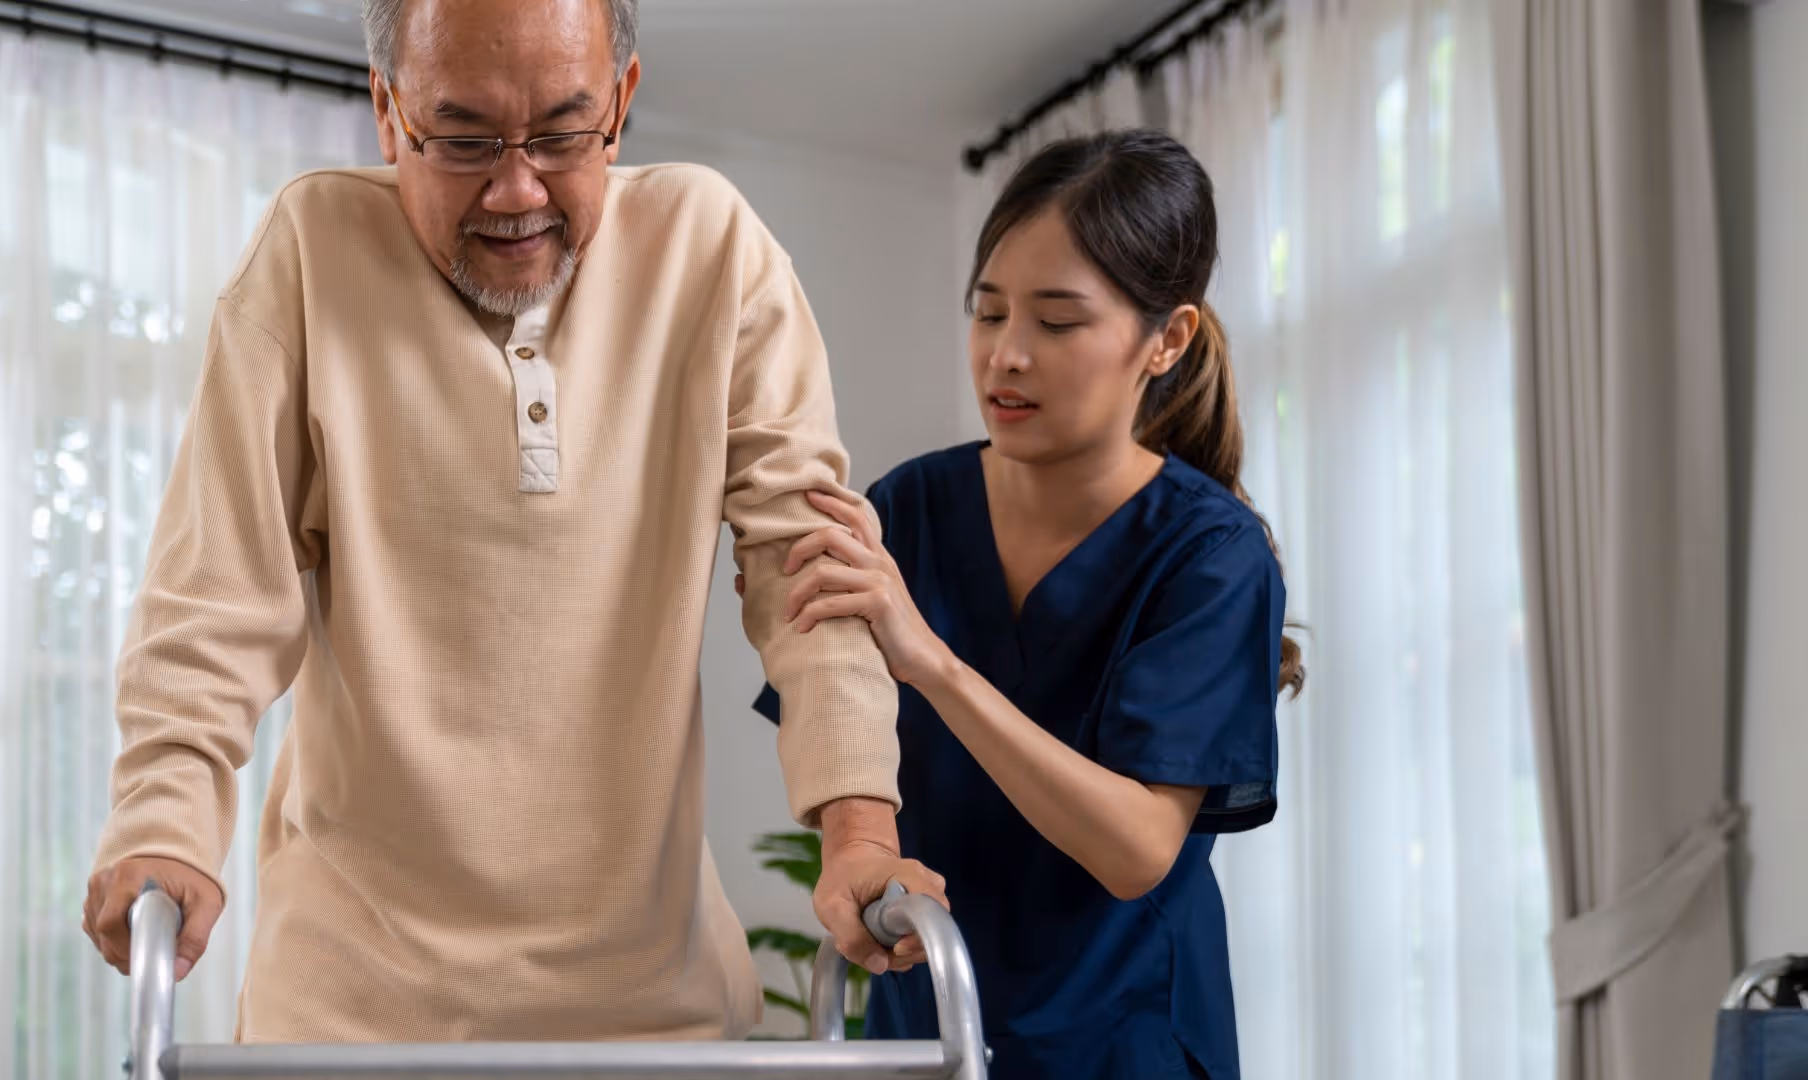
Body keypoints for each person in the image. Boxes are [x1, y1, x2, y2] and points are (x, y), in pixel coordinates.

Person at [79, 0, 945, 1044]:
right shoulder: (310, 252)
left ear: (622, 104)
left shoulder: (711, 249)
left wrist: (858, 824)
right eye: (464, 137)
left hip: (656, 1015)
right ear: (388, 113)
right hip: (353, 1019)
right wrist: (166, 826)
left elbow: (810, 570)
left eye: (561, 134)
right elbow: (210, 600)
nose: (516, 188)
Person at [751, 130, 1302, 1079]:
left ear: (1165, 339)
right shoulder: (908, 511)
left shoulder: (1210, 555)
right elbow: (830, 714)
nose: (1007, 356)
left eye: (1057, 322)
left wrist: (930, 660)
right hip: (926, 1032)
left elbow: (1137, 849)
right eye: (988, 312)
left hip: (1123, 1046)